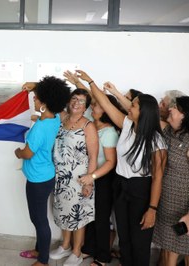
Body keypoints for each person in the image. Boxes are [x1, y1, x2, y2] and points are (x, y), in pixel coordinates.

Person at [78, 70, 167, 266]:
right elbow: (106, 104)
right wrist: (91, 82)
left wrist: (152, 209)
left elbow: (158, 178)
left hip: (140, 191)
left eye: (133, 105)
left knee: (139, 240)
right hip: (121, 185)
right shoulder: (127, 124)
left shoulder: (155, 140)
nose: (129, 107)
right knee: (124, 237)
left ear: (143, 111)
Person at [15, 76, 70, 266]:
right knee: (40, 218)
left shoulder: (40, 127)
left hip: (38, 179)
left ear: (45, 103)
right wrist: (36, 87)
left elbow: (28, 153)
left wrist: (18, 152)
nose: (33, 99)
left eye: (36, 97)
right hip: (46, 176)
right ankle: (39, 249)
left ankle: (43, 260)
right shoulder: (55, 118)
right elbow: (55, 95)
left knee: (38, 219)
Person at [50, 88, 99, 266]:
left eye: (81, 101)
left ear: (86, 107)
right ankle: (65, 245)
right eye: (74, 98)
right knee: (63, 212)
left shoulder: (88, 126)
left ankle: (77, 252)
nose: (76, 103)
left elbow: (93, 157)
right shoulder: (62, 118)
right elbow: (51, 99)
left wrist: (89, 183)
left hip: (79, 180)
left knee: (78, 217)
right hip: (61, 178)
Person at [80, 95, 123, 266]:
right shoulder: (91, 123)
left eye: (97, 106)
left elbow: (111, 162)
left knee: (101, 218)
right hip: (89, 175)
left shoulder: (109, 132)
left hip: (103, 178)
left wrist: (93, 177)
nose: (93, 108)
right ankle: (89, 248)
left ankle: (103, 257)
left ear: (106, 110)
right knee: (89, 215)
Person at [153, 96, 189, 266]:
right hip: (166, 203)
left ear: (184, 115)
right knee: (168, 249)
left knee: (177, 249)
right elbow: (144, 115)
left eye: (175, 107)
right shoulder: (169, 131)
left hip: (182, 207)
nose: (170, 109)